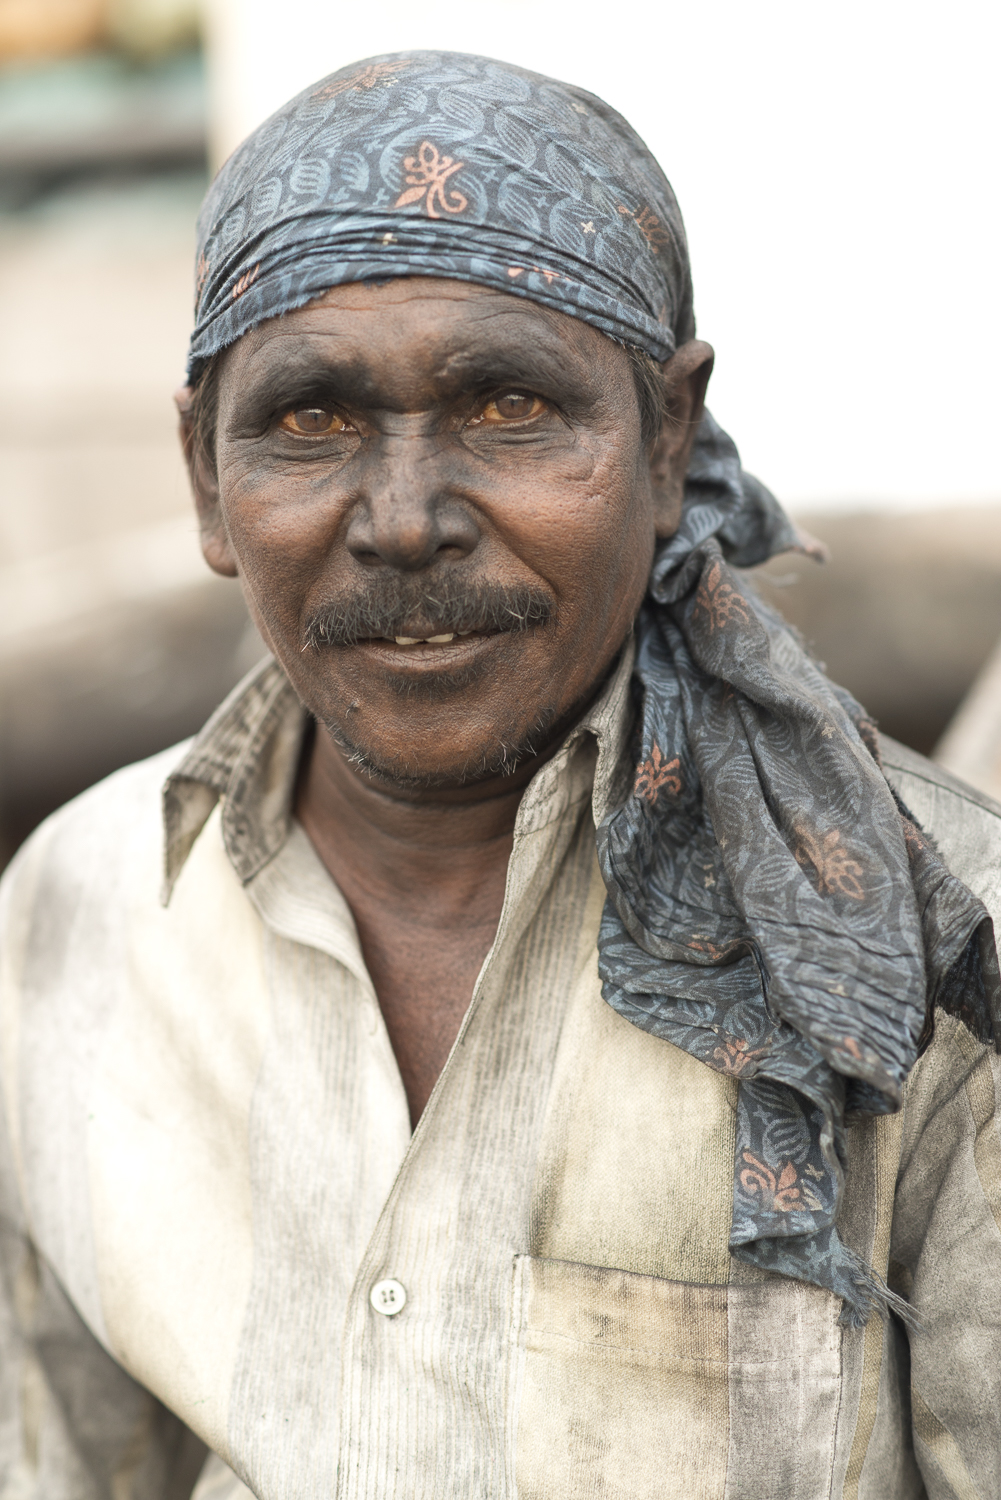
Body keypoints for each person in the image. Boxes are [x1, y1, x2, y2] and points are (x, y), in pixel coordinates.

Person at [1, 49, 999, 1500]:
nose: (403, 521)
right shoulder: (72, 910)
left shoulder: (927, 947)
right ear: (205, 478)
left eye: (507, 406)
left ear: (666, 441)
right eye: (310, 420)